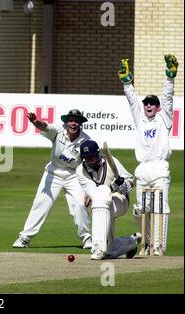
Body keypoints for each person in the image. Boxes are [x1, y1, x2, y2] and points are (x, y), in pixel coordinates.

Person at [118, 55, 178, 255]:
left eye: (152, 103)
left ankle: (159, 247)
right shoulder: (140, 119)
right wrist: (127, 82)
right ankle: (146, 244)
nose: (148, 106)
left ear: (157, 107)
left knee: (160, 208)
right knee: (141, 210)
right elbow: (132, 101)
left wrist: (170, 77)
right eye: (146, 103)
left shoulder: (165, 118)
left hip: (160, 169)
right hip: (143, 169)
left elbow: (168, 97)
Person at [12, 109, 92, 249]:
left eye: (76, 121)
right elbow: (45, 127)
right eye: (71, 120)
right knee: (41, 203)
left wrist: (88, 190)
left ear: (80, 124)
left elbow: (88, 166)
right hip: (54, 171)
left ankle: (87, 239)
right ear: (67, 122)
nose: (73, 124)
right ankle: (25, 237)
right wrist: (36, 122)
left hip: (74, 175)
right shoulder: (58, 130)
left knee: (80, 204)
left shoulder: (86, 141)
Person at [76, 140, 140, 260]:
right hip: (100, 203)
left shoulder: (112, 161)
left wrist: (124, 185)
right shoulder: (80, 171)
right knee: (110, 251)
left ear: (98, 154)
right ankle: (129, 242)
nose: (90, 160)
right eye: (86, 158)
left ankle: (98, 247)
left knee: (102, 198)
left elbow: (131, 180)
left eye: (92, 157)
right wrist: (113, 186)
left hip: (120, 200)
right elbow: (95, 193)